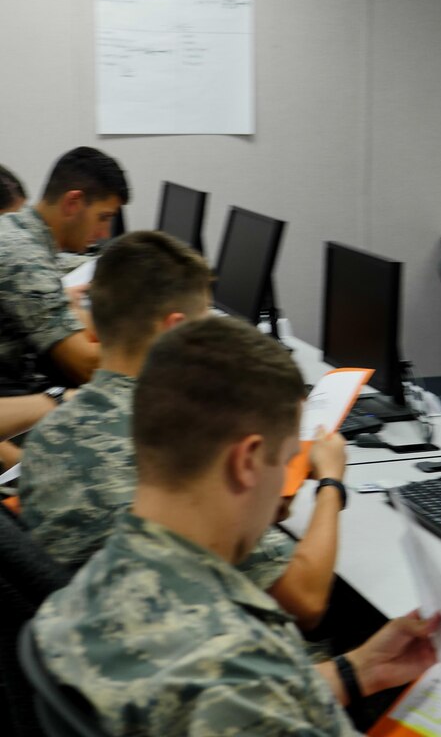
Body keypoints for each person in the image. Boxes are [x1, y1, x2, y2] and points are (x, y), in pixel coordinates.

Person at [31, 316, 438, 735]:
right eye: (285, 462)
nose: (284, 486)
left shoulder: (87, 588)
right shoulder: (236, 661)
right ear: (246, 462)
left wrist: (358, 671)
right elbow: (239, 696)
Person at [20, 231, 344, 631]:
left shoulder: (46, 432)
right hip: (223, 669)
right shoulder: (180, 456)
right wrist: (331, 481)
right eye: (205, 319)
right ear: (174, 330)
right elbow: (306, 599)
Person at [0, 147, 129, 389]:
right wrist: (162, 345)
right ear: (73, 203)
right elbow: (86, 367)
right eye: (103, 217)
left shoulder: (16, 230)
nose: (105, 233)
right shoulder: (25, 257)